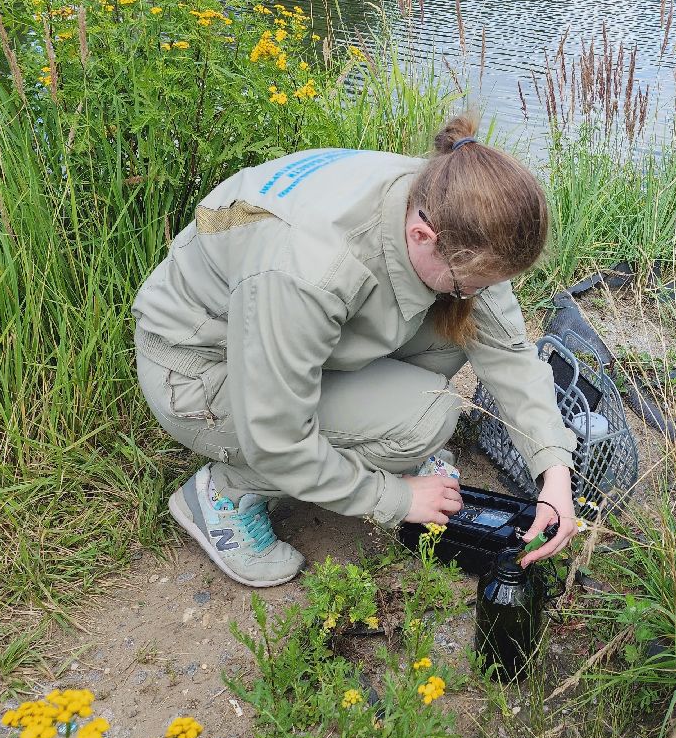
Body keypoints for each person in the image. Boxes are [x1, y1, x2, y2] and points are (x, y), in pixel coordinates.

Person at [132, 115, 579, 588]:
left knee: (456, 326)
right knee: (428, 417)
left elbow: (506, 349)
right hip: (200, 371)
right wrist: (396, 499)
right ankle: (225, 493)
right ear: (423, 237)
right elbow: (276, 437)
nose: (478, 292)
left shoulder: (445, 197)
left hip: (275, 332)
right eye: (471, 282)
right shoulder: (310, 268)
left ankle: (371, 437)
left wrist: (554, 470)